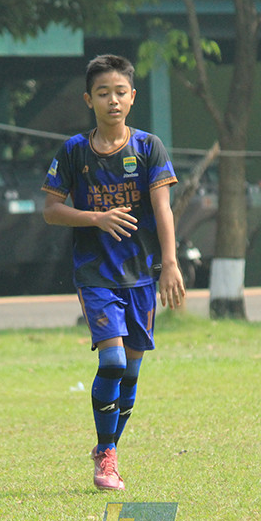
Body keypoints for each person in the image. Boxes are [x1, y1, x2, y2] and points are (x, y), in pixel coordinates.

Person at [41, 54, 185, 491]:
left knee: (133, 373)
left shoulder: (148, 148)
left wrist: (170, 264)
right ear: (89, 99)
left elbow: (163, 209)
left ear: (132, 97)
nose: (113, 100)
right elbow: (51, 212)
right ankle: (107, 456)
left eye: (120, 92)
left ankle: (108, 444)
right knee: (114, 360)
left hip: (141, 275)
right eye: (103, 93)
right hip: (95, 274)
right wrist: (95, 218)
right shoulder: (73, 151)